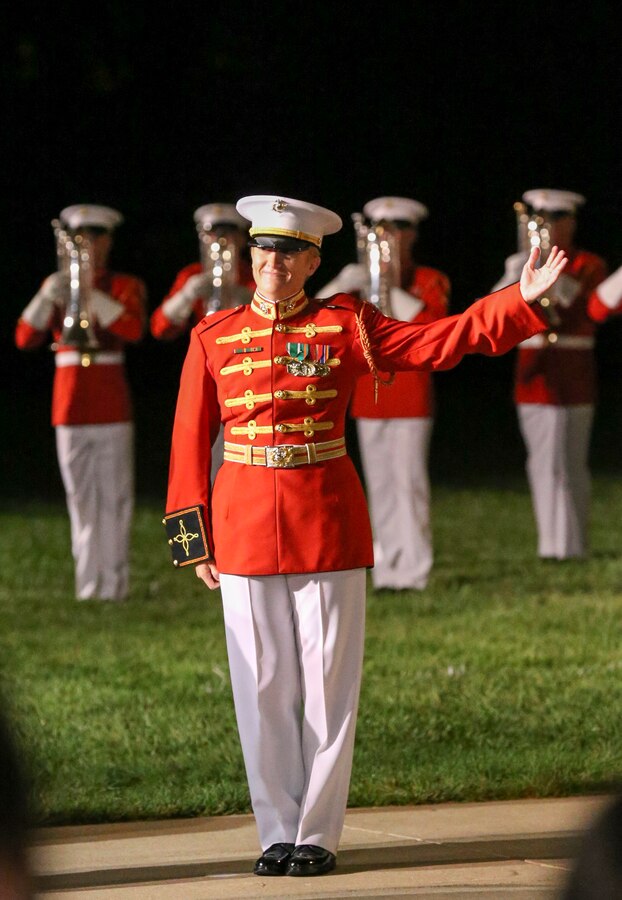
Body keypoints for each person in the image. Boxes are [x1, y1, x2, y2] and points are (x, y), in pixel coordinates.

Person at [163, 194, 567, 878]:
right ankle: (274, 831)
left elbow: (437, 343)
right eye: (265, 250)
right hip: (242, 523)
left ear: (315, 262)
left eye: (290, 254)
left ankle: (316, 832)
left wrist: (517, 302)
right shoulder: (213, 334)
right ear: (248, 255)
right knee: (258, 685)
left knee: (327, 684)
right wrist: (190, 536)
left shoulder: (346, 323)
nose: (274, 264)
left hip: (325, 517)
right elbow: (187, 438)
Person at [316, 196, 450, 590]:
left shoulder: (429, 279)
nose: (388, 241)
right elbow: (314, 321)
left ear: (412, 235)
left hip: (410, 395)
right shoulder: (359, 283)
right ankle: (388, 567)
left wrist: (385, 284)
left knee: (408, 483)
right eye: (379, 234)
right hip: (367, 395)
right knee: (378, 485)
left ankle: (415, 568)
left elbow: (431, 327)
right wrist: (342, 285)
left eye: (396, 232)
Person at [15, 204, 147, 601]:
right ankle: (88, 587)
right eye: (79, 240)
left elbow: (132, 329)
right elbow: (24, 338)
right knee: (80, 500)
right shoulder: (56, 283)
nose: (87, 246)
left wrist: (87, 293)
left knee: (115, 499)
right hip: (69, 406)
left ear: (107, 241)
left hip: (110, 405)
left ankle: (115, 585)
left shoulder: (123, 284)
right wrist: (45, 295)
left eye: (94, 238)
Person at [492, 188, 617, 560]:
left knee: (571, 463)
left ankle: (573, 545)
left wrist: (542, 271)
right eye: (539, 221)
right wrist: (511, 273)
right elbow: (493, 309)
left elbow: (581, 306)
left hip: (573, 372)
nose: (545, 229)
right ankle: (550, 546)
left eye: (555, 221)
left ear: (571, 223)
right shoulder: (522, 261)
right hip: (533, 372)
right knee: (542, 463)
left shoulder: (588, 264)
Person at [150, 203, 255, 481]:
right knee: (199, 453)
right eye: (212, 233)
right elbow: (160, 327)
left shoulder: (254, 275)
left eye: (229, 234)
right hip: (204, 373)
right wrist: (186, 295)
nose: (220, 241)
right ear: (202, 237)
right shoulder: (192, 275)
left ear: (242, 238)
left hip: (244, 373)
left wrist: (248, 299)